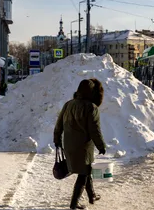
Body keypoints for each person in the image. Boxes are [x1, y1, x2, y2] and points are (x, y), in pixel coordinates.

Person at [53, 78, 106, 209]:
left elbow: (58, 125)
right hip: (83, 147)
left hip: (69, 145)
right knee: (83, 173)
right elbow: (95, 130)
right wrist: (101, 145)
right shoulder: (91, 107)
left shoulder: (68, 104)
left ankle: (92, 195)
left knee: (86, 170)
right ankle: (74, 203)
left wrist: (57, 140)